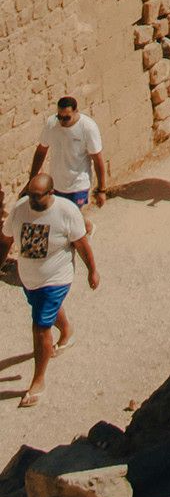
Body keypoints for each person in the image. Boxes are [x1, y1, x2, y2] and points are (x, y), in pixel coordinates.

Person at [1, 171, 99, 408]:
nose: (32, 200)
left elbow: (81, 244)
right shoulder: (20, 208)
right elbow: (6, 241)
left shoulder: (66, 212)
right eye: (30, 195)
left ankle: (38, 381)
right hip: (29, 279)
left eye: (37, 196)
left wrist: (92, 270)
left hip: (56, 278)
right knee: (43, 310)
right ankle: (67, 331)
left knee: (40, 327)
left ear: (51, 193)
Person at [31, 97, 108, 221]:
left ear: (76, 111)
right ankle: (87, 228)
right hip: (56, 186)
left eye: (66, 118)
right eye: (59, 117)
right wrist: (32, 179)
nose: (62, 121)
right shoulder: (52, 124)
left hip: (78, 185)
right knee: (60, 220)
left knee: (70, 219)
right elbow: (41, 151)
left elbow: (97, 159)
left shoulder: (87, 128)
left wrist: (102, 190)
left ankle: (84, 230)